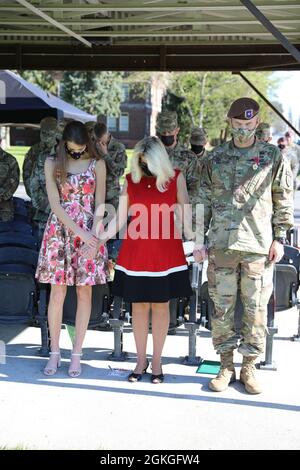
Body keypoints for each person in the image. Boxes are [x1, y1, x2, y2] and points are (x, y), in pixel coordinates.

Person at [194, 97, 294, 394]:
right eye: (238, 125)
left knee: (255, 309)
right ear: (230, 122)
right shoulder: (213, 158)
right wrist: (198, 240)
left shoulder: (272, 156)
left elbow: (282, 198)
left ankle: (249, 366)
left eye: (248, 125)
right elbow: (202, 201)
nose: (243, 130)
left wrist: (280, 237)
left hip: (258, 245)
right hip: (222, 245)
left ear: (257, 122)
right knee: (222, 309)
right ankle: (225, 365)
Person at [97, 136, 193, 383]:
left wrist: (198, 241)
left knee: (161, 307)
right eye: (141, 161)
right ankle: (141, 361)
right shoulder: (130, 181)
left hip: (166, 253)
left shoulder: (175, 178)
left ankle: (157, 362)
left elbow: (186, 213)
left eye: (148, 162)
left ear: (159, 161)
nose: (144, 166)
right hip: (136, 252)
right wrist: (101, 238)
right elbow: (119, 218)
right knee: (138, 307)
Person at [35, 120, 109, 377]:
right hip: (60, 233)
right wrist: (80, 232)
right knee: (57, 293)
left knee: (84, 293)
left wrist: (94, 236)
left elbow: (100, 203)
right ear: (63, 144)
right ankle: (55, 352)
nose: (76, 154)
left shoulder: (97, 164)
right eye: (72, 150)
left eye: (80, 149)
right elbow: (55, 204)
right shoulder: (52, 163)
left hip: (89, 234)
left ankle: (76, 353)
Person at [92, 122, 128, 261]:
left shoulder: (118, 148)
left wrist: (106, 155)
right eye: (96, 140)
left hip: (112, 198)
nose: (98, 143)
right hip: (94, 197)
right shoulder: (92, 145)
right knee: (96, 234)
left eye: (101, 140)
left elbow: (118, 172)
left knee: (112, 236)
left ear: (107, 135)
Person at [22, 117, 57, 198]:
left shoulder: (61, 149)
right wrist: (33, 194)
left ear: (55, 132)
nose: (46, 136)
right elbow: (26, 172)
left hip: (58, 198)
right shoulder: (34, 150)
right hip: (37, 197)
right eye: (43, 132)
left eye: (49, 133)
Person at [0, 138, 20, 222]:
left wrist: (1, 195)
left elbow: (14, 182)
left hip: (4, 208)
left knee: (5, 232)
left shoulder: (10, 160)